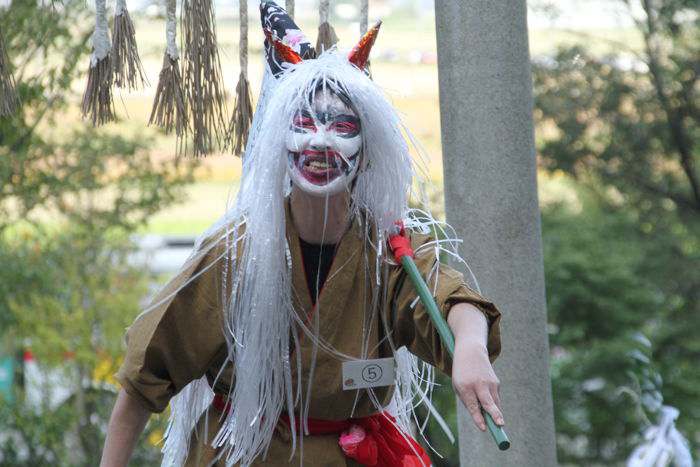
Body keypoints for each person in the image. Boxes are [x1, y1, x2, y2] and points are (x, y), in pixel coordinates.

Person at [100, 3, 504, 466]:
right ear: (277, 139)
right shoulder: (235, 253)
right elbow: (143, 378)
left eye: (342, 126)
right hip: (245, 454)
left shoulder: (390, 249)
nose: (320, 142)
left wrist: (470, 346)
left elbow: (451, 298)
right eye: (304, 123)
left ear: (368, 149)